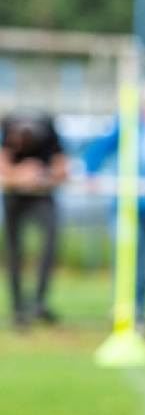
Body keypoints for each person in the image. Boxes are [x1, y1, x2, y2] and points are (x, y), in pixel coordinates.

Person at [85, 84, 145, 332]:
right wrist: (90, 172)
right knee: (128, 259)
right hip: (126, 205)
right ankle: (125, 308)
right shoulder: (128, 124)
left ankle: (140, 312)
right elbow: (100, 148)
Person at [0, 109, 68, 328]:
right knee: (14, 253)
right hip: (14, 197)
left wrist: (42, 175)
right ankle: (19, 309)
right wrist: (20, 175)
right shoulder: (8, 126)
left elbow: (62, 168)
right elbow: (3, 166)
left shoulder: (47, 130)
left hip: (41, 195)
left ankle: (39, 303)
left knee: (50, 242)